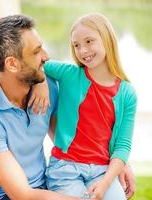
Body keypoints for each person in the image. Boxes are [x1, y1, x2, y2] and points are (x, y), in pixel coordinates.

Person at [0, 15, 78, 200]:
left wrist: (114, 162)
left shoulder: (45, 85)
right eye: (36, 51)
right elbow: (21, 195)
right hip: (4, 196)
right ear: (12, 64)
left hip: (42, 185)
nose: (46, 56)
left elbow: (69, 143)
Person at [34, 13, 137, 199]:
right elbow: (36, 64)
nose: (82, 51)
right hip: (65, 168)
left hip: (102, 171)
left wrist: (106, 183)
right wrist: (40, 83)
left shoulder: (127, 93)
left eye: (89, 41)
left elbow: (122, 145)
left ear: (107, 39)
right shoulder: (69, 74)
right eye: (76, 45)